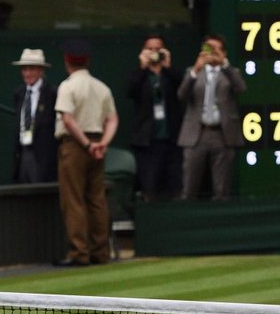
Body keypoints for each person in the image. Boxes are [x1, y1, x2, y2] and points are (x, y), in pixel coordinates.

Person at [53, 38, 117, 266]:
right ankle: (100, 252)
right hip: (97, 146)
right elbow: (112, 120)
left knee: (74, 200)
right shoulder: (102, 87)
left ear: (67, 61)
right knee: (97, 199)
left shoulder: (67, 86)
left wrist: (87, 145)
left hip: (75, 146)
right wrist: (102, 144)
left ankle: (80, 254)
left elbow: (68, 119)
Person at [177, 34, 246, 201]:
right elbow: (182, 94)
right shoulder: (192, 72)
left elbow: (241, 88)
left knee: (221, 189)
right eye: (208, 49)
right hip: (196, 133)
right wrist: (196, 70)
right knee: (189, 186)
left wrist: (225, 64)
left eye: (216, 49)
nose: (212, 53)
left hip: (222, 134)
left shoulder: (231, 72)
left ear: (224, 52)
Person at [127, 35, 183, 201]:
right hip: (148, 142)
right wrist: (143, 68)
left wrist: (167, 67)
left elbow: (182, 89)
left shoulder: (170, 75)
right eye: (149, 49)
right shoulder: (140, 75)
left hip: (172, 139)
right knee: (149, 185)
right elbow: (130, 91)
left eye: (157, 49)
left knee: (175, 186)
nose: (153, 53)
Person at [11, 47, 59, 184]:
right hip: (23, 153)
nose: (27, 73)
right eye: (24, 69)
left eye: (31, 69)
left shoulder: (52, 93)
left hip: (44, 156)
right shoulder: (18, 93)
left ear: (41, 70)